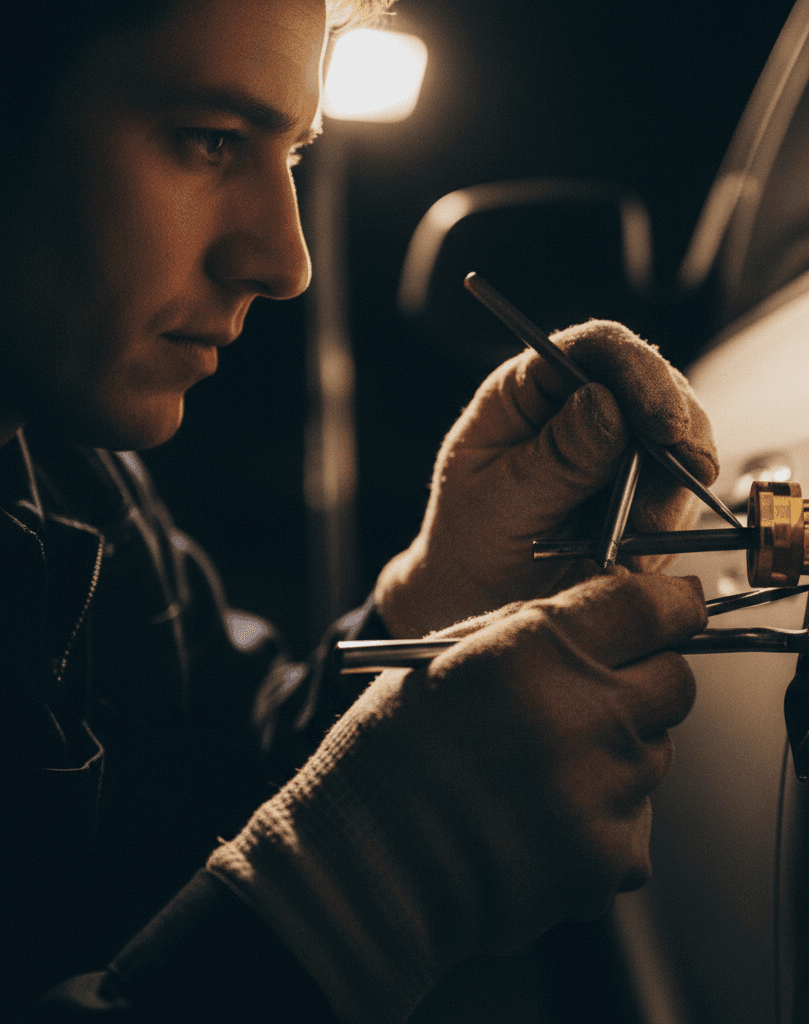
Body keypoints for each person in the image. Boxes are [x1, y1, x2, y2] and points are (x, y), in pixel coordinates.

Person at [0, 0, 720, 1020]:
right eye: (209, 139)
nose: (286, 261)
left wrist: (434, 594)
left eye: (291, 153)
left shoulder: (72, 476)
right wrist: (354, 897)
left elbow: (215, 775)